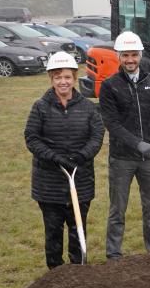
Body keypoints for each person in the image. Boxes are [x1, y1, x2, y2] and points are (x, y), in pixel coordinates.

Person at [24, 52, 105, 269]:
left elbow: (97, 136)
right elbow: (32, 138)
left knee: (78, 227)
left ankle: (78, 269)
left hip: (81, 179)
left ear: (74, 78)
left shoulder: (87, 107)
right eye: (58, 77)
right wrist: (55, 158)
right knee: (53, 230)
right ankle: (55, 273)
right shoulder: (40, 107)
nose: (63, 82)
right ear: (51, 78)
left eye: (67, 77)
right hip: (49, 181)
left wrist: (81, 156)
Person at [99, 31, 150, 259]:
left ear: (140, 55)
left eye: (134, 55)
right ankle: (114, 254)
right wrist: (137, 144)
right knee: (117, 209)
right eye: (125, 55)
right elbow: (112, 124)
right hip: (122, 159)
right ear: (118, 56)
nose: (130, 60)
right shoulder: (110, 86)